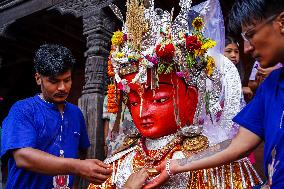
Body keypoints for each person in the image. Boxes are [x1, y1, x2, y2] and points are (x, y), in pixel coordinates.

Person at [88, 0, 262, 188]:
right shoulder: (117, 164)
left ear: (191, 98)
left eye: (159, 99)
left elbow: (239, 145)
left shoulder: (213, 160)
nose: (142, 113)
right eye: (134, 103)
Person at [144, 0, 284, 188]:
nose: (247, 48)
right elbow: (237, 145)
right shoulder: (272, 86)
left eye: (250, 35)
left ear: (281, 23)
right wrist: (175, 165)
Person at [0, 44, 112, 189]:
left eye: (67, 80)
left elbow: (81, 153)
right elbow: (22, 157)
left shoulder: (76, 114)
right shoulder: (23, 109)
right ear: (38, 79)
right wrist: (77, 166)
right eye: (54, 81)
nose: (62, 88)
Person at [224, 35, 254, 101]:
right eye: (229, 51)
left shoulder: (238, 71)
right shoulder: (214, 71)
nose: (233, 55)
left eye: (236, 52)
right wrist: (240, 90)